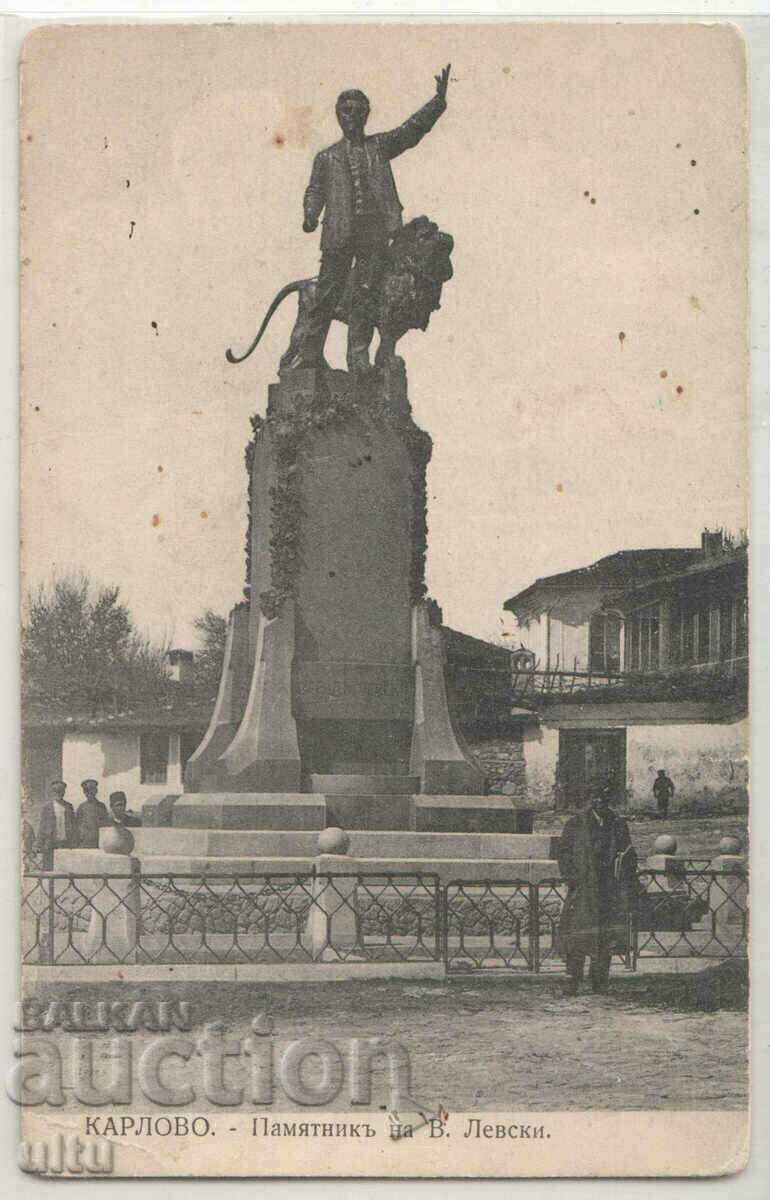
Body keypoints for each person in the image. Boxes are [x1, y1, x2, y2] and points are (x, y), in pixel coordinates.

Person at [284, 64, 450, 375]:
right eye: (345, 111)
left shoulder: (380, 146)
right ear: (338, 116)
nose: (350, 117)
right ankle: (309, 356)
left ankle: (358, 360)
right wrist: (310, 214)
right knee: (326, 296)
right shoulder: (326, 158)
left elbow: (410, 131)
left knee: (365, 296)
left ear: (366, 115)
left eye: (357, 112)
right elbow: (315, 190)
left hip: (375, 235)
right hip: (338, 235)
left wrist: (437, 102)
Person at [557, 782, 638, 995]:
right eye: (595, 797)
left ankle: (599, 981)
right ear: (589, 799)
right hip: (583, 889)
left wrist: (624, 872)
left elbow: (629, 853)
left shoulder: (617, 824)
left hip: (608, 890)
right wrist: (572, 878)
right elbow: (564, 853)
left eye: (603, 797)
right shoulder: (576, 823)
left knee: (606, 938)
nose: (599, 801)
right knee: (577, 937)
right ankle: (572, 980)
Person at [35, 779, 77, 868]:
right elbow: (42, 826)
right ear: (52, 792)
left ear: (64, 792)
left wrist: (75, 842)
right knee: (48, 868)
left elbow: (74, 825)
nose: (58, 793)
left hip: (66, 843)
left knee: (65, 868)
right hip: (50, 843)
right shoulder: (47, 807)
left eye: (61, 791)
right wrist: (38, 843)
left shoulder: (69, 806)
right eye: (56, 791)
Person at [75, 778, 109, 848]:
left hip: (99, 841)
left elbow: (105, 824)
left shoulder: (101, 806)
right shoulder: (81, 807)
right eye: (86, 791)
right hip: (85, 842)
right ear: (84, 792)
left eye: (92, 790)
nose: (89, 793)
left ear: (96, 791)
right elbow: (78, 825)